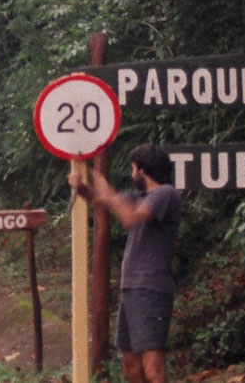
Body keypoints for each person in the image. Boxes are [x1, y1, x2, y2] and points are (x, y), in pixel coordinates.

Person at [69, 144, 182, 383]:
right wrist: (80, 186)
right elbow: (100, 200)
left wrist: (108, 192)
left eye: (133, 169)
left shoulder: (166, 194)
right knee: (130, 365)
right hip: (131, 288)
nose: (131, 175)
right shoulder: (138, 196)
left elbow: (130, 218)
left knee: (152, 368)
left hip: (151, 287)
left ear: (142, 170)